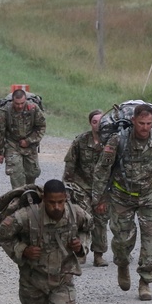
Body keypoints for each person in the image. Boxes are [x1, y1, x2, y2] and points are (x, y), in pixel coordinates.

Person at [90, 103, 152, 301]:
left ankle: (145, 282)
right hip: (122, 196)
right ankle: (122, 264)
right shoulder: (117, 140)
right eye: (141, 123)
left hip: (149, 196)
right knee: (122, 241)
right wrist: (99, 198)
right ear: (133, 121)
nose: (145, 127)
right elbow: (102, 170)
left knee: (149, 238)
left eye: (148, 123)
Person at [63, 109, 110, 267]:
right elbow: (70, 163)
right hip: (81, 186)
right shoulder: (81, 140)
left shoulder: (111, 141)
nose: (98, 125)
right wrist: (67, 186)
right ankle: (81, 252)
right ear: (90, 123)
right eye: (95, 122)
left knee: (101, 220)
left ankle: (99, 254)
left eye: (101, 122)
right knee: (83, 218)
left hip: (103, 189)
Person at [0, 89, 45, 188]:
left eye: (22, 103)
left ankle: (29, 193)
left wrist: (29, 141)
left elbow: (41, 126)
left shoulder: (33, 108)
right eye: (17, 104)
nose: (20, 106)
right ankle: (18, 197)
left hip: (29, 145)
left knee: (32, 173)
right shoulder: (5, 110)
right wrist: (0, 152)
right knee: (16, 174)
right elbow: (0, 132)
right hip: (12, 144)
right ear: (13, 101)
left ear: (25, 100)